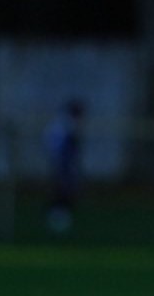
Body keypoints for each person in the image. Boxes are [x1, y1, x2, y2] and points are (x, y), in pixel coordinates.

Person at [44, 98, 85, 233]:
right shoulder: (63, 124)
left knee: (68, 190)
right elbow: (57, 146)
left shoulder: (67, 124)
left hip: (66, 163)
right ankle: (57, 219)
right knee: (61, 189)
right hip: (62, 162)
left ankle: (62, 218)